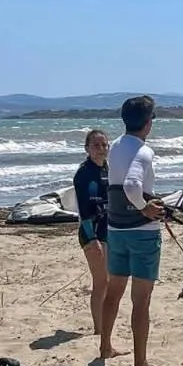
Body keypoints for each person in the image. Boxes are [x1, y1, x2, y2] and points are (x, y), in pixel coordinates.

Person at [100, 95, 165, 366]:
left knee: (113, 292)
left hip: (116, 229)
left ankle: (105, 346)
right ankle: (140, 360)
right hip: (142, 233)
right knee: (141, 300)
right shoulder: (144, 150)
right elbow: (131, 185)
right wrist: (144, 208)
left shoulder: (114, 146)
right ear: (148, 123)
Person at [73, 128, 110, 335]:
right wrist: (93, 238)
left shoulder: (107, 168)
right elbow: (84, 210)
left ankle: (104, 324)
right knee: (101, 282)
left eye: (104, 145)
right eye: (96, 145)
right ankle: (99, 329)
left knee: (110, 281)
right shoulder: (83, 174)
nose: (101, 149)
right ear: (87, 148)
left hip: (108, 230)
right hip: (91, 233)